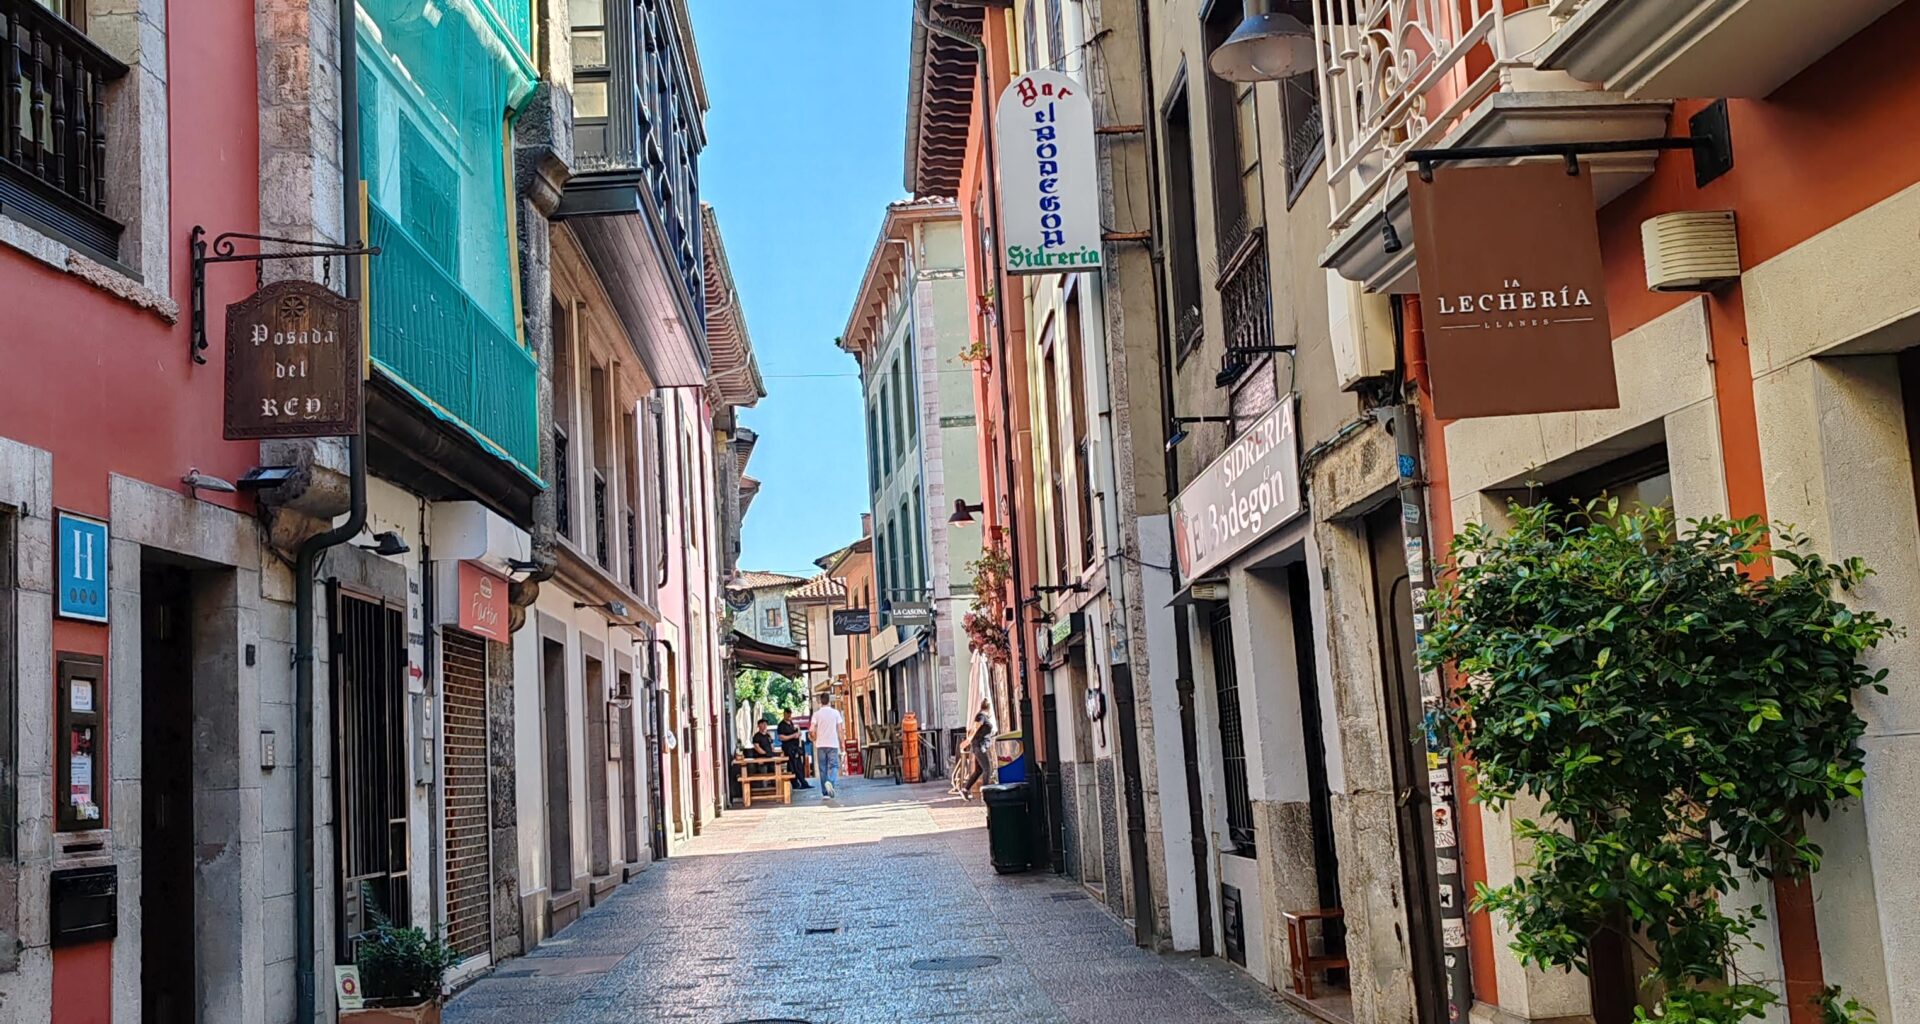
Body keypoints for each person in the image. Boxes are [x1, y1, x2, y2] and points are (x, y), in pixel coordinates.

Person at [810, 693, 847, 798]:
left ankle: (825, 793)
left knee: (822, 768)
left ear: (820, 701)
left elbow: (811, 730)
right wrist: (842, 744)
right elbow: (840, 730)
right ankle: (830, 782)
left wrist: (813, 738)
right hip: (833, 744)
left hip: (820, 745)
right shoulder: (835, 713)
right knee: (834, 765)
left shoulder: (816, 714)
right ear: (829, 701)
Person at [960, 699, 996, 800]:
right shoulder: (981, 716)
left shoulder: (983, 716)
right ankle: (986, 793)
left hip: (978, 746)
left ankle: (965, 790)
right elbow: (975, 728)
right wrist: (968, 741)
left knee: (979, 770)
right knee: (987, 769)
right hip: (980, 746)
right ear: (989, 708)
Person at [778, 709, 810, 789]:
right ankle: (802, 782)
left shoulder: (791, 723)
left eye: (790, 714)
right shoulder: (781, 725)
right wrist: (793, 736)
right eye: (787, 714)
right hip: (789, 747)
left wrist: (798, 734)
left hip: (795, 747)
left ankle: (796, 783)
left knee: (794, 766)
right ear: (784, 714)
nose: (789, 716)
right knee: (795, 766)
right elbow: (781, 737)